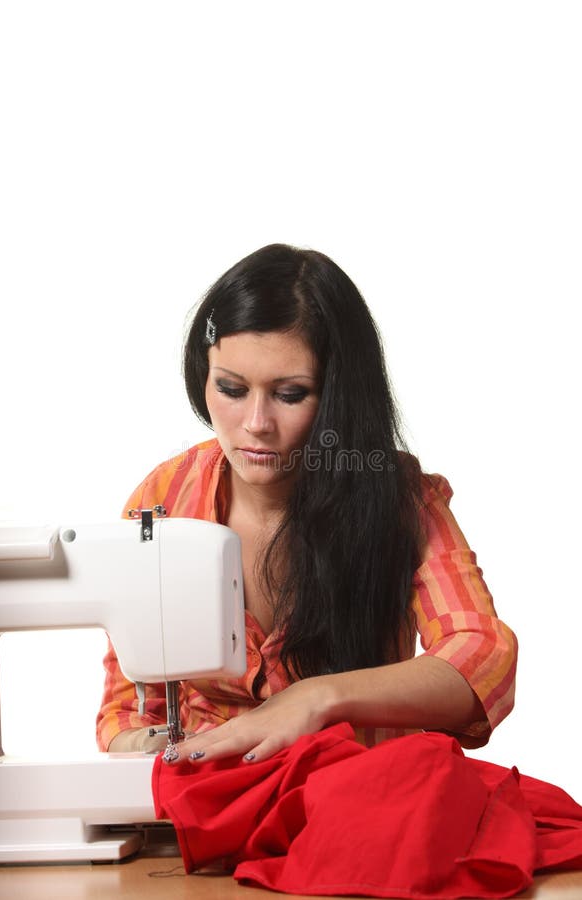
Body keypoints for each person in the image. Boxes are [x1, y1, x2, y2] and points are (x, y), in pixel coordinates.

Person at [96, 243, 517, 765]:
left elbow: (483, 659)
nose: (255, 423)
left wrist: (316, 699)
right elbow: (127, 710)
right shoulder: (162, 502)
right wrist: (168, 750)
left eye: (290, 394)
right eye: (229, 388)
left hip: (362, 807)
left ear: (339, 394)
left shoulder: (399, 500)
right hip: (216, 803)